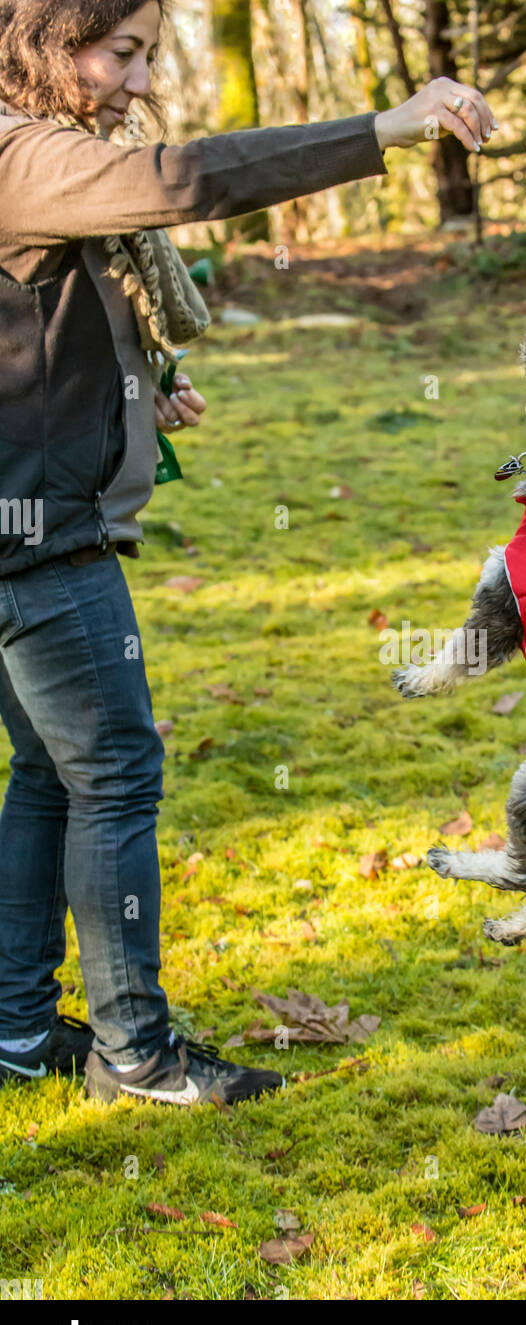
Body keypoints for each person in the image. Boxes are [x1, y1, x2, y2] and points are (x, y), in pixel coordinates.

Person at [0, 0, 496, 1105]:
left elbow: (31, 334)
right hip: (40, 540)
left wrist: (135, 391)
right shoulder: (25, 154)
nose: (134, 80)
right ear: (41, 39)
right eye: (116, 52)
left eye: (146, 56)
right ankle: (136, 1052)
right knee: (117, 773)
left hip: (22, 515)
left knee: (49, 772)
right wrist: (384, 128)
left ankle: (17, 1030)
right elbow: (194, 178)